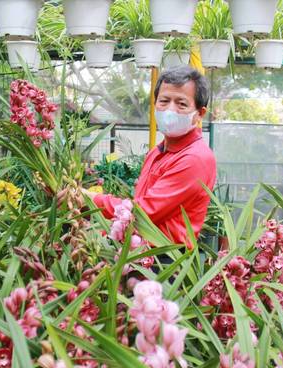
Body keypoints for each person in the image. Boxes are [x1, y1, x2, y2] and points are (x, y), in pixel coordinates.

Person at [84, 66, 217, 247]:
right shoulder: (157, 151)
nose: (170, 110)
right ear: (155, 105)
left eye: (181, 104)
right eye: (164, 101)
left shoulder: (195, 158)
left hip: (166, 262)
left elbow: (143, 212)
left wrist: (89, 200)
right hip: (139, 253)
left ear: (199, 114)